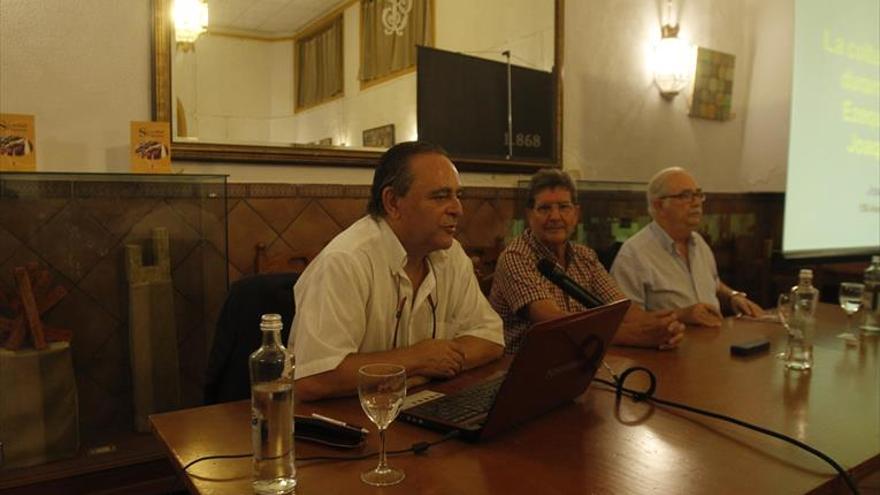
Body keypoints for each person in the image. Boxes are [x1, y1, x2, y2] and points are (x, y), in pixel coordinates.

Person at [291, 141, 504, 401]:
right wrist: (416, 359)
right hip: (345, 424)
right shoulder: (345, 261)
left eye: (458, 195)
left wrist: (427, 368)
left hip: (415, 411)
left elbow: (491, 338)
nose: (457, 209)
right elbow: (312, 378)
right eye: (440, 196)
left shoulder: (451, 255)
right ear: (393, 202)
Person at [490, 169, 685, 354]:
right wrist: (637, 336)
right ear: (529, 215)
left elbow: (621, 309)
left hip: (578, 361)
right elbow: (554, 323)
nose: (555, 217)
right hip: (524, 369)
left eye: (564, 207)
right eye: (545, 208)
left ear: (576, 214)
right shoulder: (515, 257)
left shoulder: (585, 256)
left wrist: (663, 327)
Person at [610, 167, 764, 327]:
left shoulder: (699, 243)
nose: (696, 202)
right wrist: (681, 315)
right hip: (667, 347)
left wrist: (733, 296)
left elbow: (714, 283)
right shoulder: (634, 255)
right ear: (659, 206)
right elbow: (625, 321)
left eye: (698, 194)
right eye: (685, 196)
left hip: (713, 341)